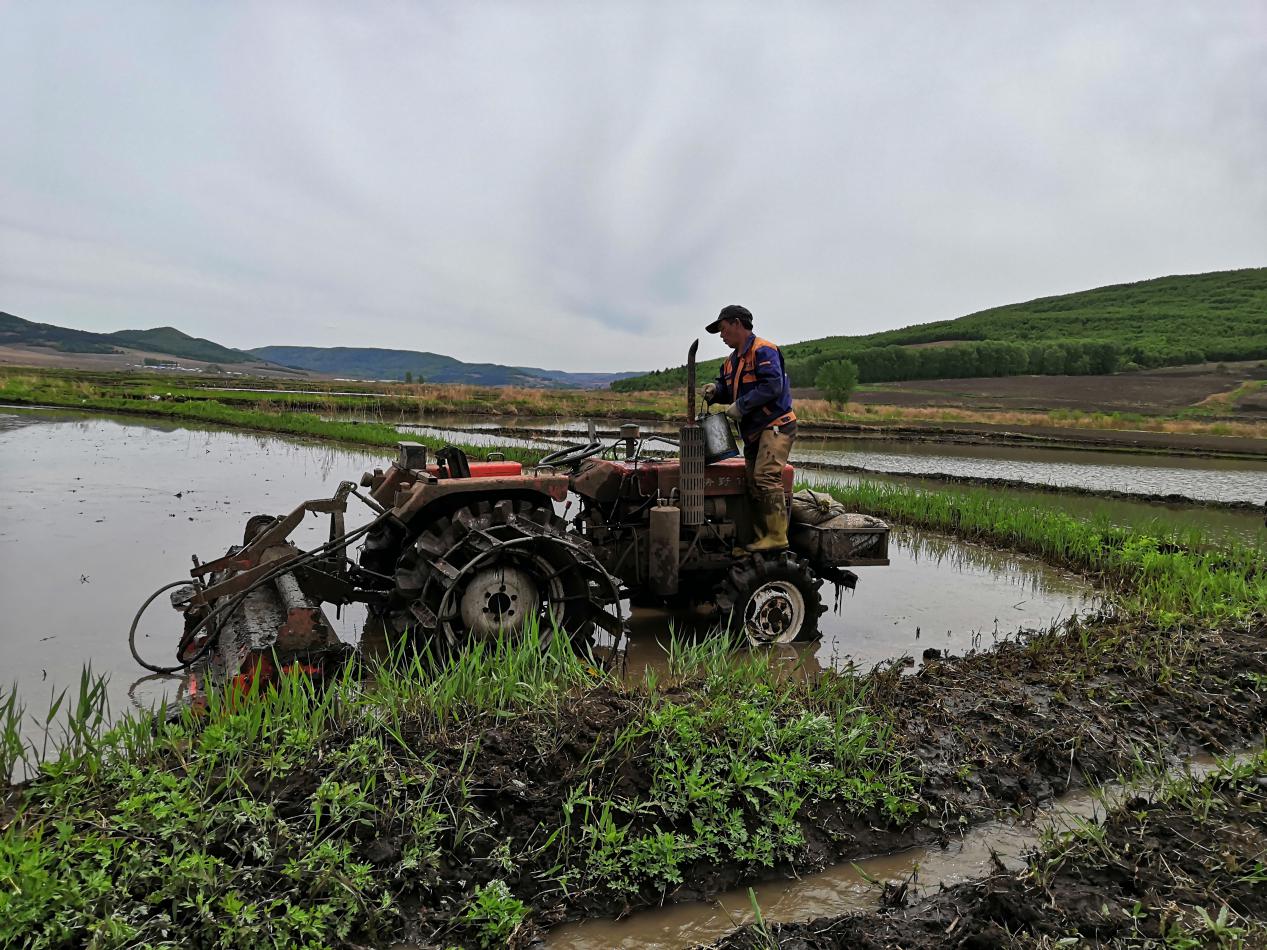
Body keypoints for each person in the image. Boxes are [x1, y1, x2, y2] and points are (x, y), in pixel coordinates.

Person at [701, 304, 797, 553]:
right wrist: (715, 391)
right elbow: (726, 388)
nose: (722, 336)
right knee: (752, 484)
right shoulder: (730, 362)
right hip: (754, 431)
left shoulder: (763, 350)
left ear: (736, 323)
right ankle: (758, 540)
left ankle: (777, 536)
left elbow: (772, 386)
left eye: (723, 329)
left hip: (776, 425)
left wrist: (741, 406)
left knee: (766, 476)